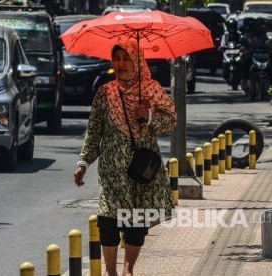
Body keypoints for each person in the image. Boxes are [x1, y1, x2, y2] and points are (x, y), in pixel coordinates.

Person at [73, 40, 176, 276]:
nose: (121, 64)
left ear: (137, 61)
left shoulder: (152, 89)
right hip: (111, 173)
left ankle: (128, 269)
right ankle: (111, 272)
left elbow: (171, 121)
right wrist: (83, 162)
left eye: (126, 58)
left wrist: (149, 116)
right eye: (117, 58)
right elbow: (94, 130)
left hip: (140, 172)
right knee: (107, 221)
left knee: (135, 222)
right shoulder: (105, 93)